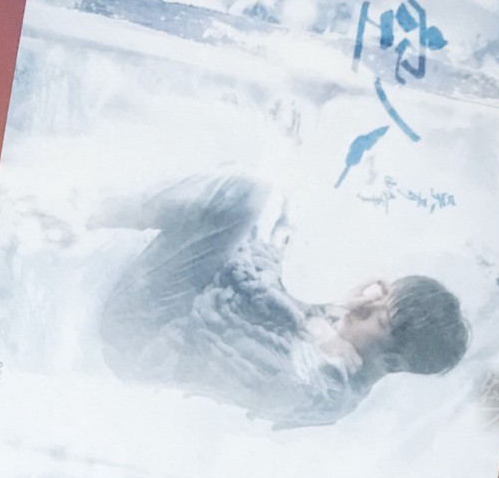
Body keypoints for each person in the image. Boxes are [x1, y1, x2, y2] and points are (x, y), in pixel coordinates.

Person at [94, 172, 469, 429]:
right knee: (257, 192)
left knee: (242, 193)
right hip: (173, 316)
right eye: (379, 296)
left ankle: (89, 209)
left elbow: (261, 356)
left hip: (143, 335)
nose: (363, 307)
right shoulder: (342, 343)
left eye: (378, 318)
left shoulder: (327, 394)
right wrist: (330, 310)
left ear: (392, 360)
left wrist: (315, 326)